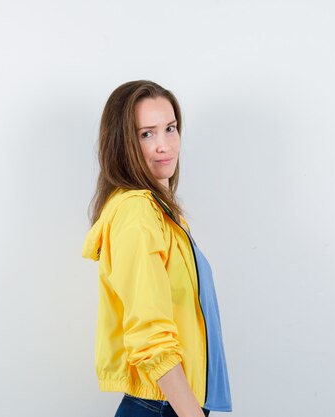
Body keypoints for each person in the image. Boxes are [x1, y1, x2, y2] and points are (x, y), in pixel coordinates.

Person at [82, 80, 232, 417]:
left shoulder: (163, 215)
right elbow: (149, 335)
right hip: (164, 407)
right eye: (146, 134)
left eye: (170, 128)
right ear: (122, 144)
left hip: (173, 405)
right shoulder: (137, 214)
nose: (164, 145)